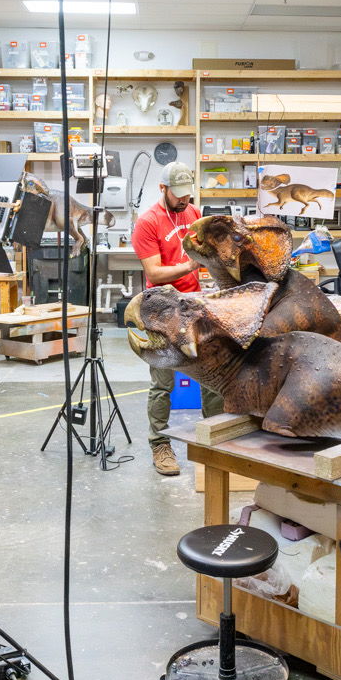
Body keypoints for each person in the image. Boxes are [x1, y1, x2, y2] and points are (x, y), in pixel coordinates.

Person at [132, 161, 223, 476]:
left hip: (193, 306)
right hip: (160, 311)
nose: (184, 200)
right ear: (162, 189)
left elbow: (204, 250)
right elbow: (154, 272)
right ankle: (160, 445)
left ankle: (214, 441)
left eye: (188, 193)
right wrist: (191, 266)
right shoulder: (148, 222)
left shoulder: (194, 214)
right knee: (163, 383)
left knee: (211, 379)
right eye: (178, 194)